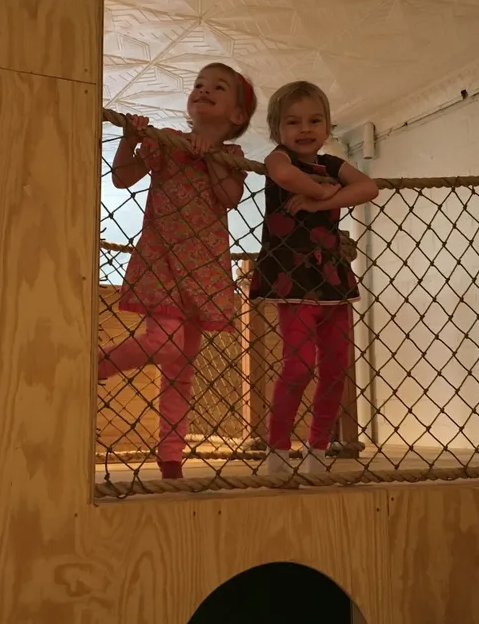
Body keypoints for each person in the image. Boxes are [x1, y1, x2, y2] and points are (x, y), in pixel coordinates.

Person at [101, 63, 257, 480]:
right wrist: (129, 140)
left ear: (236, 116)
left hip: (203, 270)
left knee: (181, 369)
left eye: (217, 87)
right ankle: (96, 365)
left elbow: (229, 197)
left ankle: (171, 457)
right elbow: (121, 178)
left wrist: (214, 161)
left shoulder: (232, 156)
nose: (203, 90)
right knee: (164, 344)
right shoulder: (167, 142)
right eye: (198, 84)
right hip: (162, 261)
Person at [249, 81, 379, 476]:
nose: (304, 129)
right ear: (278, 130)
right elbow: (287, 177)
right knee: (299, 363)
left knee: (337, 365)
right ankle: (277, 447)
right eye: (293, 122)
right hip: (291, 273)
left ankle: (317, 448)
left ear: (327, 126)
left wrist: (322, 197)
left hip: (330, 276)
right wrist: (324, 190)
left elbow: (368, 187)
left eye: (314, 120)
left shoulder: (332, 164)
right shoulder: (277, 157)